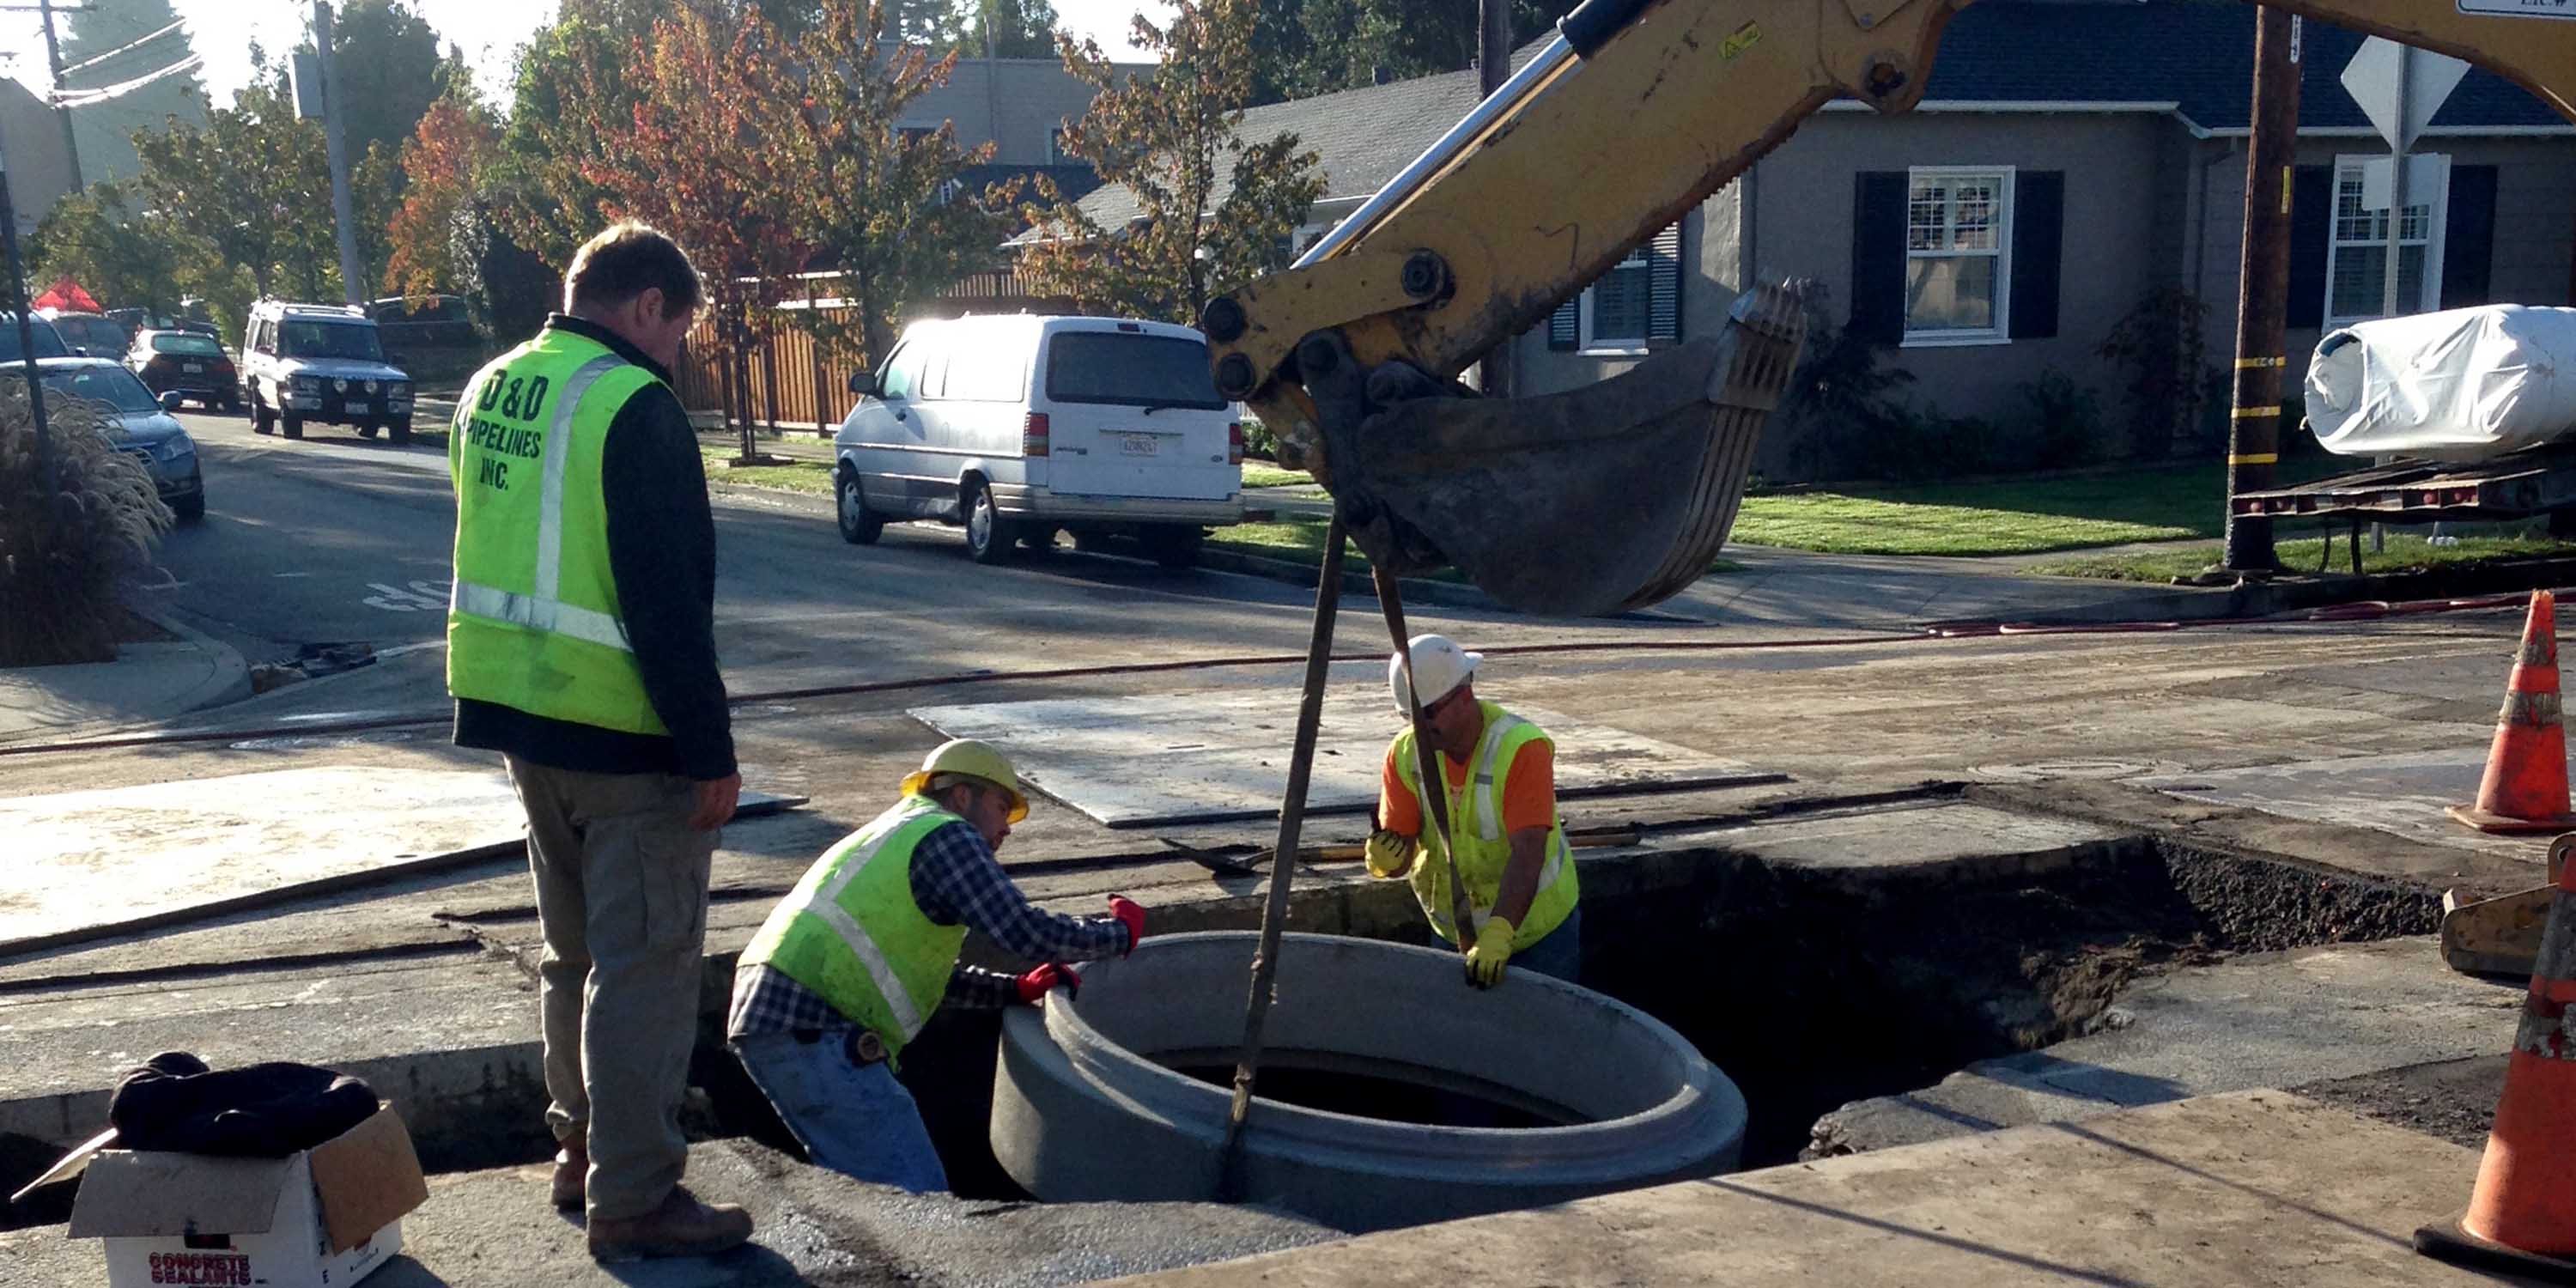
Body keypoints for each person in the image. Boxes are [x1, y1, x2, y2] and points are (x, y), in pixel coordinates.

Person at [445, 222, 747, 1262]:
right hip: (626, 735)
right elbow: (669, 604)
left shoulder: (493, 387)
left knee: (571, 954)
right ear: (647, 305)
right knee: (647, 969)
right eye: (681, 329)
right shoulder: (635, 407)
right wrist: (708, 750)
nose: (678, 352)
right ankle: (634, 1196)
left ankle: (579, 1153)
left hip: (522, 721)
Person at [727, 739, 1145, 1193]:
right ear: (962, 796)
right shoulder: (948, 833)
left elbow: (911, 975)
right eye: (1002, 806)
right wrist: (1118, 935)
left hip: (779, 1017)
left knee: (870, 1194)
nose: (1006, 828)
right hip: (817, 1026)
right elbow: (1024, 931)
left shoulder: (895, 833)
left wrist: (1013, 989)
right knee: (916, 1196)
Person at [1364, 635, 1583, 988]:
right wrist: (1385, 858)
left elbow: (1528, 854)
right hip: (1452, 932)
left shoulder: (1520, 748)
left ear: (1464, 695)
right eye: (1410, 717)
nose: (1420, 728)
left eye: (1429, 714)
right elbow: (1400, 850)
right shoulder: (1405, 754)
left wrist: (1499, 933)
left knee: (1540, 1037)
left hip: (1536, 936)